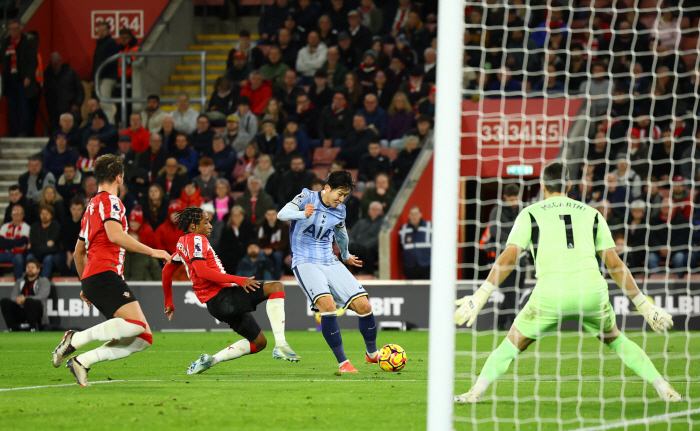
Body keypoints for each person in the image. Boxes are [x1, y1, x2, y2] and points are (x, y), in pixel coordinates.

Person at [453, 162, 681, 404]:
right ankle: (663, 386)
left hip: (551, 294)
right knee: (616, 339)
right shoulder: (592, 213)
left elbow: (508, 258)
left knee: (511, 343)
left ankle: (475, 391)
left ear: (543, 186)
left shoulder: (530, 213)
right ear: (570, 185)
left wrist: (480, 295)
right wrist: (645, 305)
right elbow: (614, 265)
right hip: (592, 292)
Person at [50, 154, 171, 386]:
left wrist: (85, 283)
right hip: (105, 273)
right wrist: (153, 251)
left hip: (96, 276)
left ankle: (82, 361)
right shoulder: (111, 202)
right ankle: (76, 338)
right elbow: (116, 235)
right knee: (136, 326)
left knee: (143, 338)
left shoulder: (90, 207)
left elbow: (78, 253)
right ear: (119, 177)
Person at [162, 206, 299, 374]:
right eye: (206, 222)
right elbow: (202, 271)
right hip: (222, 297)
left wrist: (169, 301)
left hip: (217, 305)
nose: (210, 226)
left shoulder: (182, 244)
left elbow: (166, 271)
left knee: (259, 343)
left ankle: (210, 361)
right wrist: (238, 280)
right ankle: (281, 345)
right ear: (193, 226)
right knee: (276, 287)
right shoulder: (197, 239)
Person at [277, 170, 378, 372]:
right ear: (327, 188)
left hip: (328, 260)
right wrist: (301, 214)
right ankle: (343, 363)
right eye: (339, 194)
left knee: (364, 306)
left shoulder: (340, 209)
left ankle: (372, 354)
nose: (341, 199)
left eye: (345, 196)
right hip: (305, 260)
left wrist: (346, 254)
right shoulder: (307, 197)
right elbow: (282, 214)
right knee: (328, 305)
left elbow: (340, 233)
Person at [480, 184, 524, 330]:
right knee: (509, 291)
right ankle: (516, 325)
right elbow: (494, 230)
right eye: (511, 199)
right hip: (503, 256)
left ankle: (499, 324)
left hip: (520, 256)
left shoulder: (523, 210)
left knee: (515, 290)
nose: (513, 202)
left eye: (515, 199)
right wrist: (513, 242)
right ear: (505, 197)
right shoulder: (497, 211)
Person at [1, 21, 38, 137]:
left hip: (22, 79)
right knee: (12, 107)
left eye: (16, 29)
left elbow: (33, 61)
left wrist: (28, 77)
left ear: (20, 29)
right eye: (11, 29)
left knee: (24, 106)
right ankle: (14, 130)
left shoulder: (27, 41)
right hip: (10, 80)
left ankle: (24, 131)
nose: (13, 31)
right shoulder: (6, 42)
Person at [0, 258, 49, 331]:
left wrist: (25, 299)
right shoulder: (20, 281)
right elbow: (13, 296)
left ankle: (33, 328)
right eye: (28, 267)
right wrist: (18, 299)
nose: (30, 269)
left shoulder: (44, 281)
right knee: (4, 302)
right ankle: (11, 328)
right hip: (21, 309)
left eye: (32, 267)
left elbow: (41, 297)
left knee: (29, 302)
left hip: (36, 310)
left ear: (38, 270)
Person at [44, 52, 84, 131]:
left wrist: (77, 104)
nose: (55, 63)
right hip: (54, 112)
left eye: (57, 60)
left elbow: (80, 90)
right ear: (50, 63)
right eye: (53, 61)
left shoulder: (70, 72)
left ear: (61, 61)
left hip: (70, 109)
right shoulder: (47, 75)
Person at [348, 201, 384, 274]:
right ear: (369, 211)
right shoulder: (361, 222)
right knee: (344, 252)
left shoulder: (383, 223)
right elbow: (351, 235)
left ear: (381, 212)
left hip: (371, 250)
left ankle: (368, 273)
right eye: (373, 209)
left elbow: (378, 238)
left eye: (377, 210)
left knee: (367, 253)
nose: (374, 211)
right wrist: (352, 244)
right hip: (357, 248)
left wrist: (364, 246)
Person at [28, 205, 61, 278]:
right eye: (42, 214)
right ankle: (29, 279)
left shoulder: (55, 226)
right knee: (29, 257)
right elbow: (33, 242)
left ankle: (44, 280)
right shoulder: (34, 227)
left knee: (48, 259)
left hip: (50, 253)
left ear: (51, 215)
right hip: (36, 252)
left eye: (47, 214)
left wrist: (39, 244)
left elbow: (52, 244)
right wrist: (45, 243)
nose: (44, 216)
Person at [398, 206, 431, 279]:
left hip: (426, 266)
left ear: (420, 215)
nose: (414, 216)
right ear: (409, 215)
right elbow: (401, 247)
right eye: (412, 214)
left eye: (416, 214)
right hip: (410, 267)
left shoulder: (430, 227)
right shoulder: (403, 229)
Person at [256, 207, 290, 279]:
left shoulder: (284, 226)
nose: (271, 217)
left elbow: (284, 243)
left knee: (277, 256)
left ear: (277, 214)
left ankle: (276, 278)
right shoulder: (260, 226)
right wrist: (263, 249)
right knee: (259, 253)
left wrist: (272, 249)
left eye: (273, 214)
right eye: (269, 215)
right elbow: (257, 241)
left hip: (279, 250)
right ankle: (258, 279)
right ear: (265, 215)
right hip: (263, 249)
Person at [0, 204, 30, 280]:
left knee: (18, 258)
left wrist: (8, 243)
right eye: (14, 212)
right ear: (11, 214)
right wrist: (14, 243)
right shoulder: (5, 226)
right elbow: (1, 242)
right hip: (4, 253)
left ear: (23, 215)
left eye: (19, 212)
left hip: (18, 254)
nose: (16, 214)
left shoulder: (26, 227)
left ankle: (18, 282)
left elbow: (21, 242)